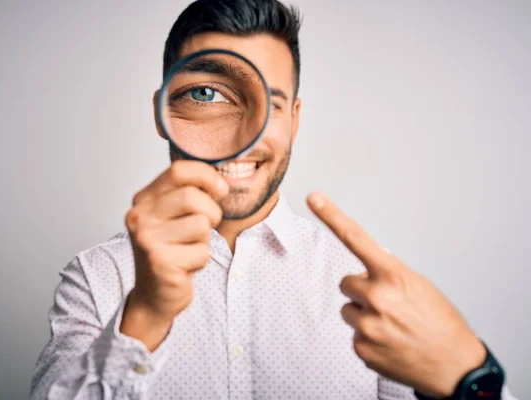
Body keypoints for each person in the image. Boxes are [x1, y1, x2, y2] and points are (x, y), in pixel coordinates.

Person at [31, 1, 518, 399]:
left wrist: (470, 378)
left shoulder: (371, 285)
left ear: (295, 119)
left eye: (271, 103)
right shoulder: (96, 279)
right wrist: (145, 316)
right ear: (163, 112)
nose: (244, 138)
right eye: (207, 93)